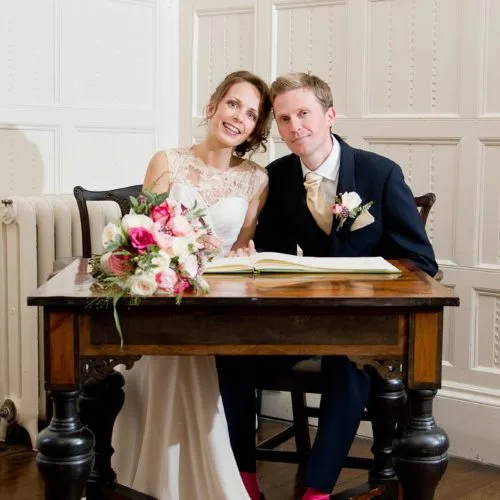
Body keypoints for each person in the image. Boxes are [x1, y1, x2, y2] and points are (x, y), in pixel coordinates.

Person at [217, 72, 438, 500]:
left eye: (304, 114)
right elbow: (273, 255)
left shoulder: (380, 174)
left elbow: (421, 262)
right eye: (283, 118)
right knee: (231, 357)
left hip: (362, 326)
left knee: (350, 365)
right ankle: (243, 481)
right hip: (298, 322)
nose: (295, 126)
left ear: (330, 115)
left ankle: (315, 489)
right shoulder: (277, 177)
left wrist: (362, 286)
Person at [111, 70, 272, 500]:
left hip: (221, 303)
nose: (239, 117)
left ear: (255, 130)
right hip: (168, 294)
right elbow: (144, 232)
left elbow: (240, 247)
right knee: (174, 353)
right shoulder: (168, 161)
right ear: (214, 105)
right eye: (234, 104)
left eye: (252, 114)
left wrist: (241, 255)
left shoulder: (256, 179)